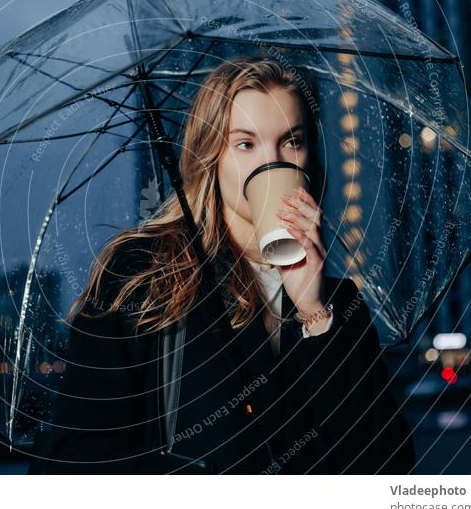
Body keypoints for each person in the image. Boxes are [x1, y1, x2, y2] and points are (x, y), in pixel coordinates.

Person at [28, 54, 416, 475]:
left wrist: (313, 313)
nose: (274, 162)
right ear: (211, 157)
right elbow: (69, 457)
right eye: (245, 144)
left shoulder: (335, 301)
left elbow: (386, 466)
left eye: (292, 141)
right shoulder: (145, 274)